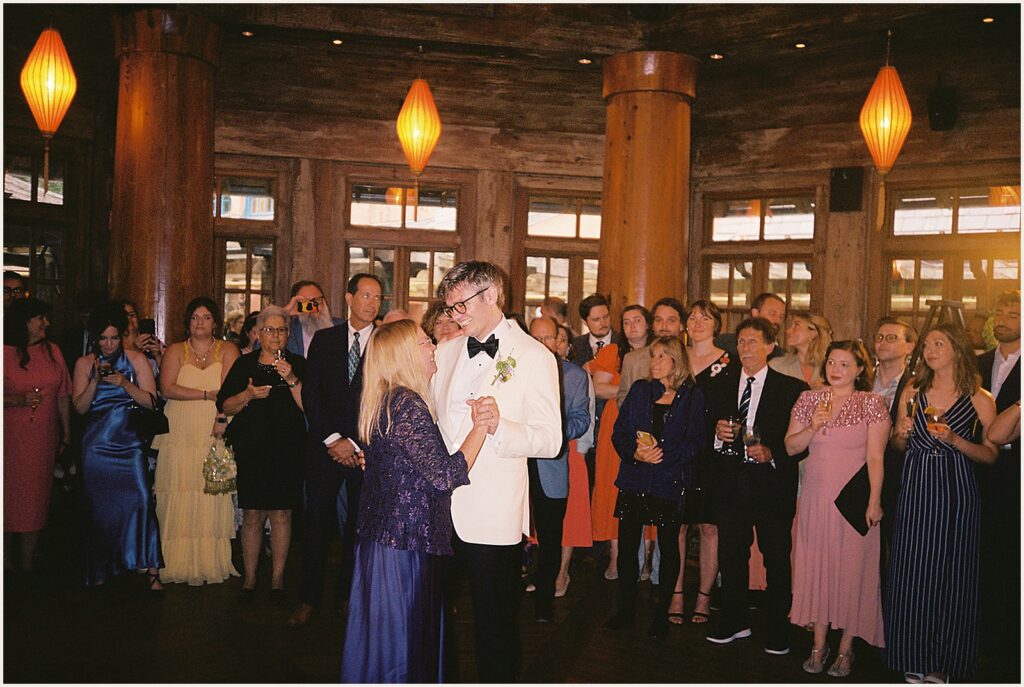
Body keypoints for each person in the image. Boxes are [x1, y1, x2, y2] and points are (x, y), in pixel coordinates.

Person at [339, 320, 497, 682]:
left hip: (382, 540)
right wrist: (480, 427)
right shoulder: (407, 404)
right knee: (405, 644)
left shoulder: (384, 398)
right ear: (406, 354)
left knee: (385, 640)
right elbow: (444, 475)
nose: (433, 347)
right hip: (406, 544)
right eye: (426, 342)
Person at [431, 261, 562, 682]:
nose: (454, 316)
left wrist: (498, 426)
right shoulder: (446, 350)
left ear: (491, 296)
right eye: (449, 308)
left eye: (460, 305)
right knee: (434, 618)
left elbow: (550, 440)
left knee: (495, 624)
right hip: (437, 510)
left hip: (493, 513)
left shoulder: (533, 355)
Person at [885, 324, 998, 683]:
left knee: (952, 576)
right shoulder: (913, 391)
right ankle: (912, 656)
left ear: (957, 349)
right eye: (928, 344)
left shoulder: (979, 396)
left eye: (940, 343)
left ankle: (944, 662)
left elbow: (991, 454)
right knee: (911, 574)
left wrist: (955, 439)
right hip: (916, 490)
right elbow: (897, 445)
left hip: (956, 493)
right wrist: (900, 434)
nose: (931, 350)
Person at [704, 317, 808, 655]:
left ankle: (779, 627)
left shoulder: (792, 388)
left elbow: (801, 443)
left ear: (770, 346)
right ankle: (734, 620)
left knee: (776, 557)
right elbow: (703, 432)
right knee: (731, 554)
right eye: (742, 342)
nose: (746, 348)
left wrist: (772, 452)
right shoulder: (718, 384)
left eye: (753, 342)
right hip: (730, 483)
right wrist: (717, 438)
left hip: (772, 484)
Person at [786, 341, 889, 677]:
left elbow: (876, 457)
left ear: (860, 369)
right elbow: (790, 447)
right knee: (817, 568)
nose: (836, 369)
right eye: (832, 362)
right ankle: (818, 645)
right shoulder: (807, 399)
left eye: (846, 364)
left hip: (852, 502)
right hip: (816, 499)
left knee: (851, 572)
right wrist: (813, 426)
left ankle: (846, 648)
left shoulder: (871, 403)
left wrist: (875, 501)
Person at [290, 273, 382, 626]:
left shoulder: (384, 342)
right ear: (349, 297)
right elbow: (311, 395)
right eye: (366, 295)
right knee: (316, 525)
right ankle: (308, 599)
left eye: (377, 297)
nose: (372, 303)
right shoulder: (325, 340)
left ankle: (348, 596)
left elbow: (383, 400)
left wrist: (355, 443)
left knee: (358, 527)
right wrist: (332, 440)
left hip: (364, 449)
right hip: (325, 449)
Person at [605, 336, 705, 640]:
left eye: (662, 356)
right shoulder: (640, 390)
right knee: (627, 548)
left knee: (669, 546)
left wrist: (662, 456)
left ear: (677, 361)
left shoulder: (692, 395)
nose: (655, 361)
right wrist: (635, 453)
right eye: (654, 355)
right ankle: (626, 609)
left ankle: (661, 614)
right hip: (635, 478)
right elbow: (619, 432)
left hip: (668, 481)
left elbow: (696, 442)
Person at [72, 304, 163, 589]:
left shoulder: (136, 359)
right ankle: (104, 567)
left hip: (129, 443)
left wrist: (125, 384)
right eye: (103, 339)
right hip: (96, 447)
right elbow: (80, 408)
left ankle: (149, 569)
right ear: (95, 339)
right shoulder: (84, 364)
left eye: (113, 338)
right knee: (100, 509)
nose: (109, 345)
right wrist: (96, 381)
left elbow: (151, 402)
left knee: (141, 501)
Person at [217, 305, 306, 601]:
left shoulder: (298, 363)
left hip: (287, 449)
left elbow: (310, 407)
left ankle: (278, 577)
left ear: (288, 334)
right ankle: (251, 577)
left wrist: (292, 378)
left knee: (282, 513)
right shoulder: (244, 365)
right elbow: (225, 405)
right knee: (253, 514)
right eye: (269, 330)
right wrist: (248, 395)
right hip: (252, 448)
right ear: (258, 333)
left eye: (281, 330)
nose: (275, 336)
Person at [153, 297, 241, 585]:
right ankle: (174, 559)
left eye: (205, 317)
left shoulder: (228, 349)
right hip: (179, 428)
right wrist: (205, 394)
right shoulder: (176, 350)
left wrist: (220, 415)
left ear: (215, 321)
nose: (200, 322)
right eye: (194, 317)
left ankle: (208, 559)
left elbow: (229, 391)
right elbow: (166, 388)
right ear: (187, 322)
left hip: (214, 424)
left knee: (210, 491)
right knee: (178, 488)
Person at [667, 299, 730, 625]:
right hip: (678, 454)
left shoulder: (729, 363)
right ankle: (676, 593)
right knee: (677, 525)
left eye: (705, 318)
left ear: (716, 324)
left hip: (714, 456)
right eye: (692, 317)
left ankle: (703, 597)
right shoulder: (676, 358)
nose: (697, 322)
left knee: (709, 526)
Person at [526, 316, 591, 622]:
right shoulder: (514, 371)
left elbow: (581, 419)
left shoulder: (575, 376)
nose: (542, 345)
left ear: (559, 341)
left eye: (548, 338)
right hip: (514, 467)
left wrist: (552, 429)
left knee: (551, 539)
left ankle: (543, 604)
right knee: (512, 537)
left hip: (552, 466)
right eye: (535, 338)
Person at [3, 297, 72, 573]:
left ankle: (28, 561)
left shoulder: (53, 351)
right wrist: (15, 400)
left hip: (43, 437)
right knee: (8, 495)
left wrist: (66, 432)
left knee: (36, 497)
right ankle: (4, 562)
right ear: (24, 322)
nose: (47, 323)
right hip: (9, 437)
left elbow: (63, 395)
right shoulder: (4, 351)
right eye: (40, 318)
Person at [973, 290, 1020, 679]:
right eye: (999, 312)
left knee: (1013, 562)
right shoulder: (979, 362)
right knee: (981, 556)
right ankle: (982, 637)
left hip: (1016, 475)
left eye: (1014, 313)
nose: (1003, 318)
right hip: (980, 474)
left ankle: (1011, 648)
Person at [590, 304, 652, 581]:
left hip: (650, 424)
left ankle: (646, 559)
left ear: (648, 324)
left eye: (637, 320)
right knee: (612, 487)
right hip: (616, 424)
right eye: (626, 322)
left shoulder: (658, 352)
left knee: (649, 487)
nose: (631, 326)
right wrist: (635, 389)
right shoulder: (612, 351)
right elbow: (597, 387)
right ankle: (617, 557)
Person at [870, 317, 917, 571]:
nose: (882, 342)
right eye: (878, 337)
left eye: (891, 338)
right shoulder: (861, 380)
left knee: (893, 547)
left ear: (910, 347)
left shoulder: (916, 385)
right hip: (856, 472)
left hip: (897, 474)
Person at [769, 313, 832, 390]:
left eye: (796, 326)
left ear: (813, 333)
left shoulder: (831, 366)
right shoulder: (777, 366)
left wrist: (829, 389)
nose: (788, 331)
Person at [714, 292, 787, 357]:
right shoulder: (725, 344)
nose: (777, 320)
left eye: (781, 316)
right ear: (755, 313)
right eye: (772, 313)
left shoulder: (780, 355)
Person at [284, 279, 342, 358]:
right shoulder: (289, 330)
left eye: (317, 300)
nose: (314, 307)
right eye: (306, 302)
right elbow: (263, 347)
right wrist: (284, 313)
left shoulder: (342, 327)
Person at [569, 293, 623, 367]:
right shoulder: (577, 345)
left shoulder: (623, 341)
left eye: (606, 317)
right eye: (596, 319)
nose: (603, 323)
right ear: (585, 322)